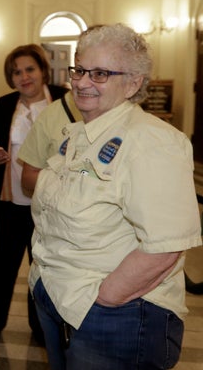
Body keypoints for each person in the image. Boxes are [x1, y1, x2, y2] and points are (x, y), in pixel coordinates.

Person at [28, 23, 202, 369]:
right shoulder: (79, 135)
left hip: (116, 315)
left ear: (134, 83)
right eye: (79, 69)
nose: (81, 81)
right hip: (60, 298)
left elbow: (165, 245)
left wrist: (104, 299)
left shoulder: (151, 142)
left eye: (101, 73)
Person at [0, 44, 68, 344]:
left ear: (42, 70)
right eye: (17, 72)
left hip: (53, 202)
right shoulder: (4, 105)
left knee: (43, 264)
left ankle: (41, 326)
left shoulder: (66, 101)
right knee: (4, 261)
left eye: (30, 69)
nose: (24, 76)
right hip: (11, 199)